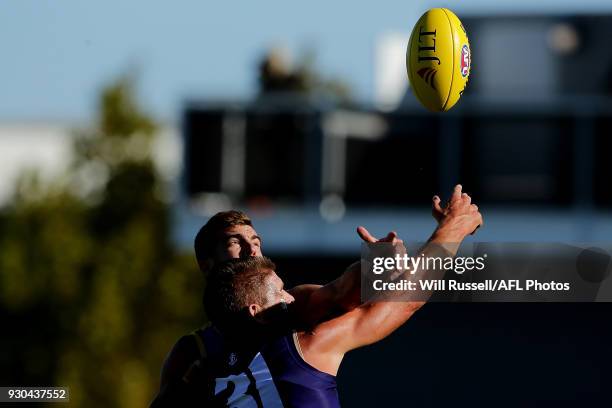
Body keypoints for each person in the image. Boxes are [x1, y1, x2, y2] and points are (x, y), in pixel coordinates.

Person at [151, 185, 481, 406]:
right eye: (237, 243)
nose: (254, 249)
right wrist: (452, 229)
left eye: (257, 240)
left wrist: (376, 265)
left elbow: (339, 292)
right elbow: (401, 301)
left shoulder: (208, 371)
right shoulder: (297, 343)